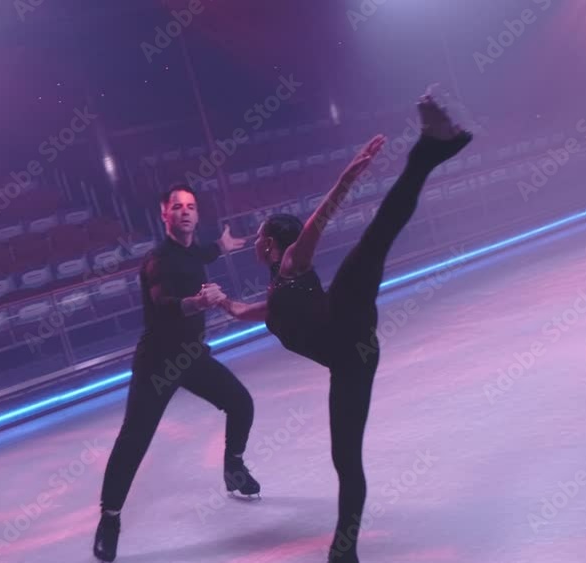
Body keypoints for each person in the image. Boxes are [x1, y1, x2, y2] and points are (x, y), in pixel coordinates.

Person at [220, 91, 472, 562]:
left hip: (346, 318)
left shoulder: (293, 261)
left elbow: (318, 220)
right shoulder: (274, 296)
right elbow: (244, 312)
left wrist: (346, 177)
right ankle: (345, 549)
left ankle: (430, 149)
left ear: (272, 244)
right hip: (351, 359)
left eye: (257, 238)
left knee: (375, 238)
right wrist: (220, 301)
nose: (254, 243)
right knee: (345, 461)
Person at [94, 185, 261, 562]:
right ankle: (110, 519)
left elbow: (198, 254)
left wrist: (221, 247)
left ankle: (233, 467)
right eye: (177, 207)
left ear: (196, 215)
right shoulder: (157, 261)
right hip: (156, 363)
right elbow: (164, 304)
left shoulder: (189, 252)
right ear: (164, 214)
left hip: (190, 357)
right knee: (134, 439)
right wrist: (198, 302)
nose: (185, 212)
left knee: (241, 404)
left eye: (191, 207)